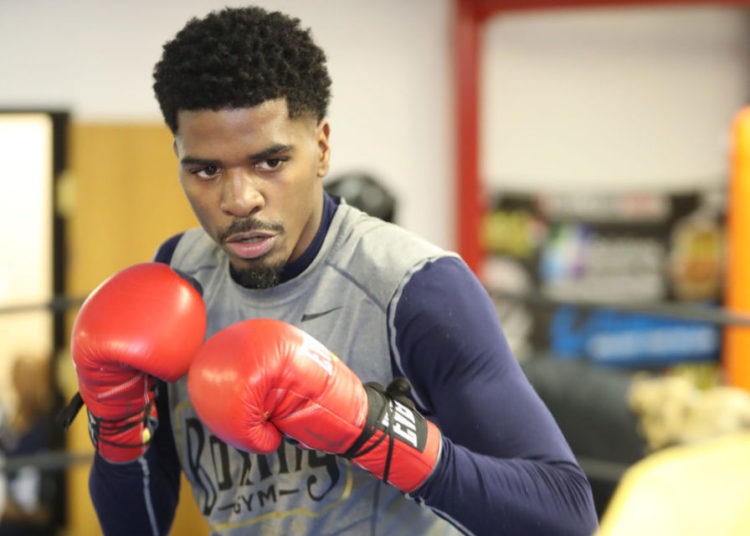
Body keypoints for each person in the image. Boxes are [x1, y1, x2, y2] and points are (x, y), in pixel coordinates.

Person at [67, 6, 598, 535]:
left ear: (321, 148)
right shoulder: (176, 280)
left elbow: (566, 516)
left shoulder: (414, 288)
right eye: (206, 170)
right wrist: (118, 422)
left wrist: (377, 431)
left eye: (270, 162)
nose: (240, 199)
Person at [1, 354, 66, 536]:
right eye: (23, 377)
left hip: (39, 528)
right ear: (14, 381)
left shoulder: (51, 428)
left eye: (33, 377)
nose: (28, 384)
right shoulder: (5, 431)